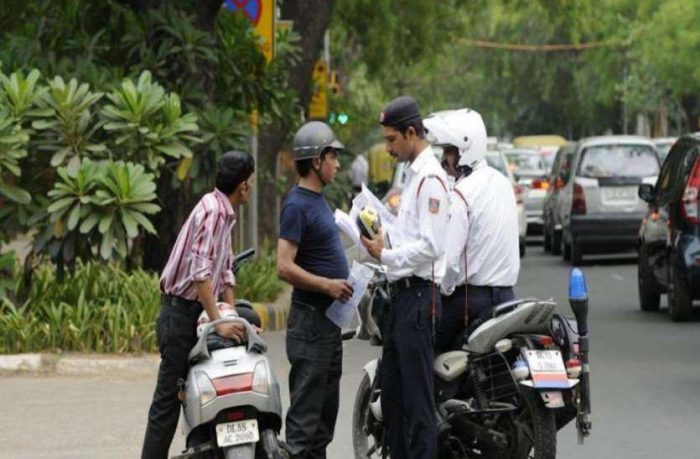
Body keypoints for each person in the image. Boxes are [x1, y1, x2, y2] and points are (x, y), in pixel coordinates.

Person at [141, 151, 255, 459]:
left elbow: (225, 270)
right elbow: (201, 274)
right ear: (243, 186)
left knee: (205, 391)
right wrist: (220, 322)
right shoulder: (214, 212)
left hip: (196, 313)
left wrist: (236, 318)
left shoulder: (223, 211)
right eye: (252, 183)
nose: (252, 188)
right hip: (180, 315)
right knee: (167, 404)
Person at [361, 96, 449, 459]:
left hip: (418, 299)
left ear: (411, 133)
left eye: (392, 140)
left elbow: (431, 246)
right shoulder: (413, 177)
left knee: (417, 405)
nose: (388, 148)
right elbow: (410, 233)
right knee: (393, 400)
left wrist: (386, 253)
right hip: (401, 299)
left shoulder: (431, 179)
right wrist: (383, 235)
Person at [276, 121, 353, 459]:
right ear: (317, 160)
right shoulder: (297, 205)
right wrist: (328, 285)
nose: (337, 164)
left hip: (328, 325)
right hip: (309, 325)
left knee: (324, 420)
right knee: (305, 424)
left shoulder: (319, 200)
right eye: (333, 157)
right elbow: (284, 265)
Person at [423, 108, 520, 353]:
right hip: (508, 298)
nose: (444, 159)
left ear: (465, 151)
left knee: (420, 347)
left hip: (469, 302)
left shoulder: (462, 193)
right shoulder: (503, 183)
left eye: (449, 151)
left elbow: (451, 261)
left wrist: (441, 289)